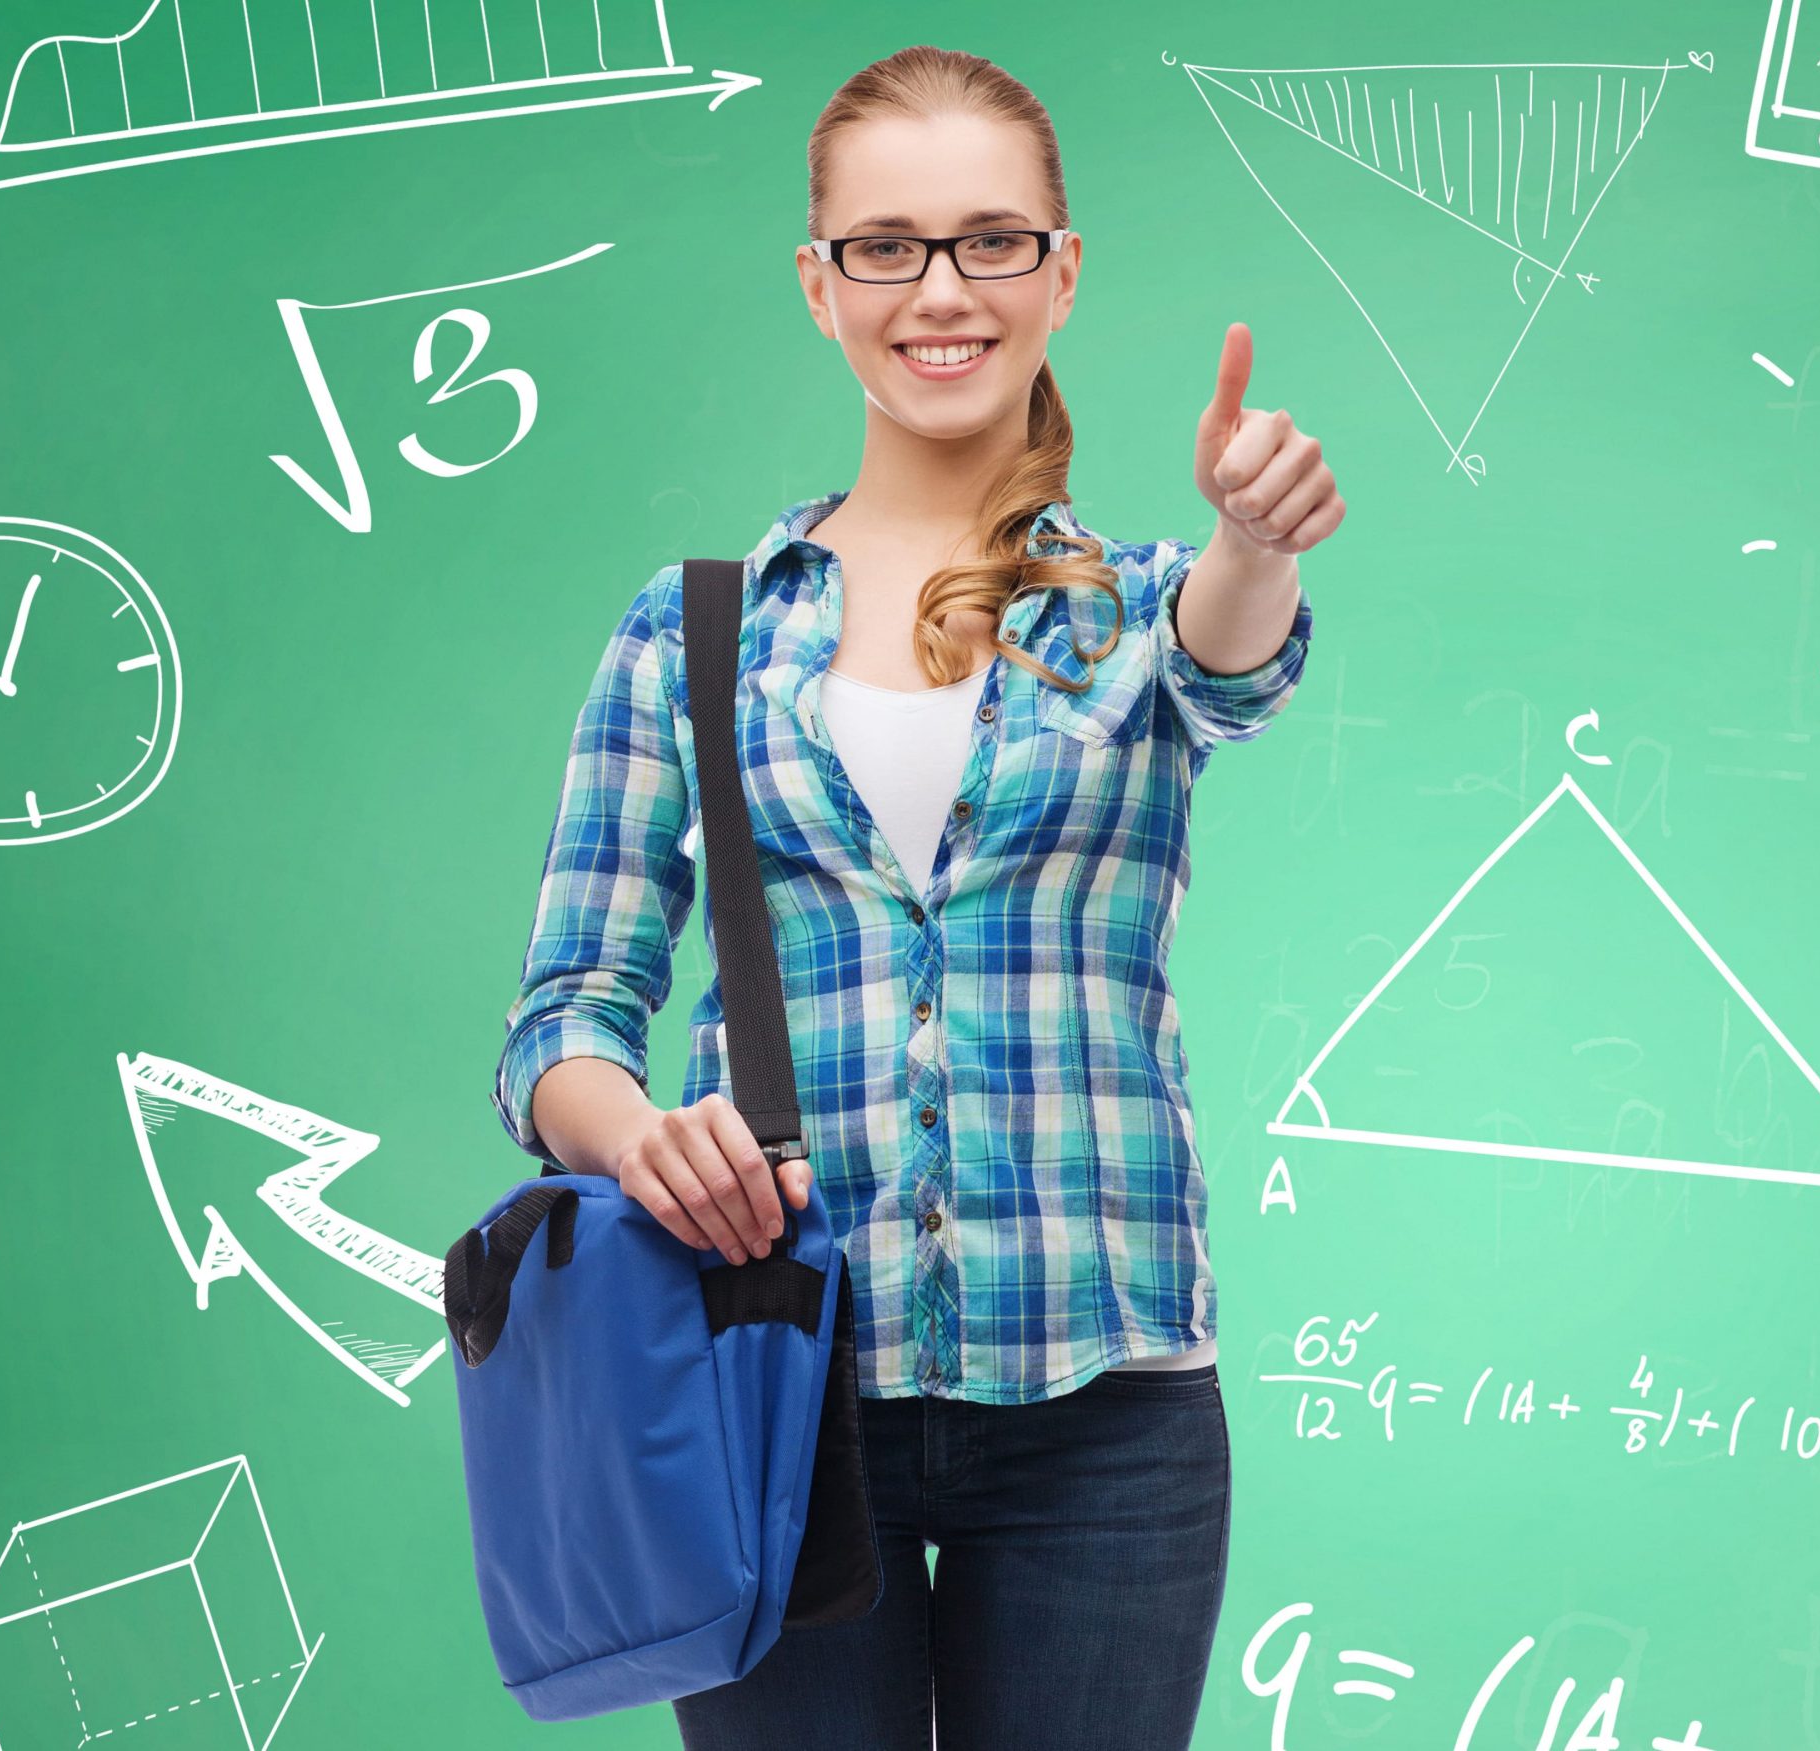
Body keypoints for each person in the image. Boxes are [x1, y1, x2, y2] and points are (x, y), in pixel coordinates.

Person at [487, 42, 1341, 1751]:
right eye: (888, 246)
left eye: (991, 240)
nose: (940, 291)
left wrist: (1259, 537)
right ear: (821, 284)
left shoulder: (1138, 612)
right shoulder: (695, 631)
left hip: (1107, 1409)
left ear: (1062, 271)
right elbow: (560, 1025)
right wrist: (633, 1135)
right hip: (771, 1400)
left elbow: (1234, 664)